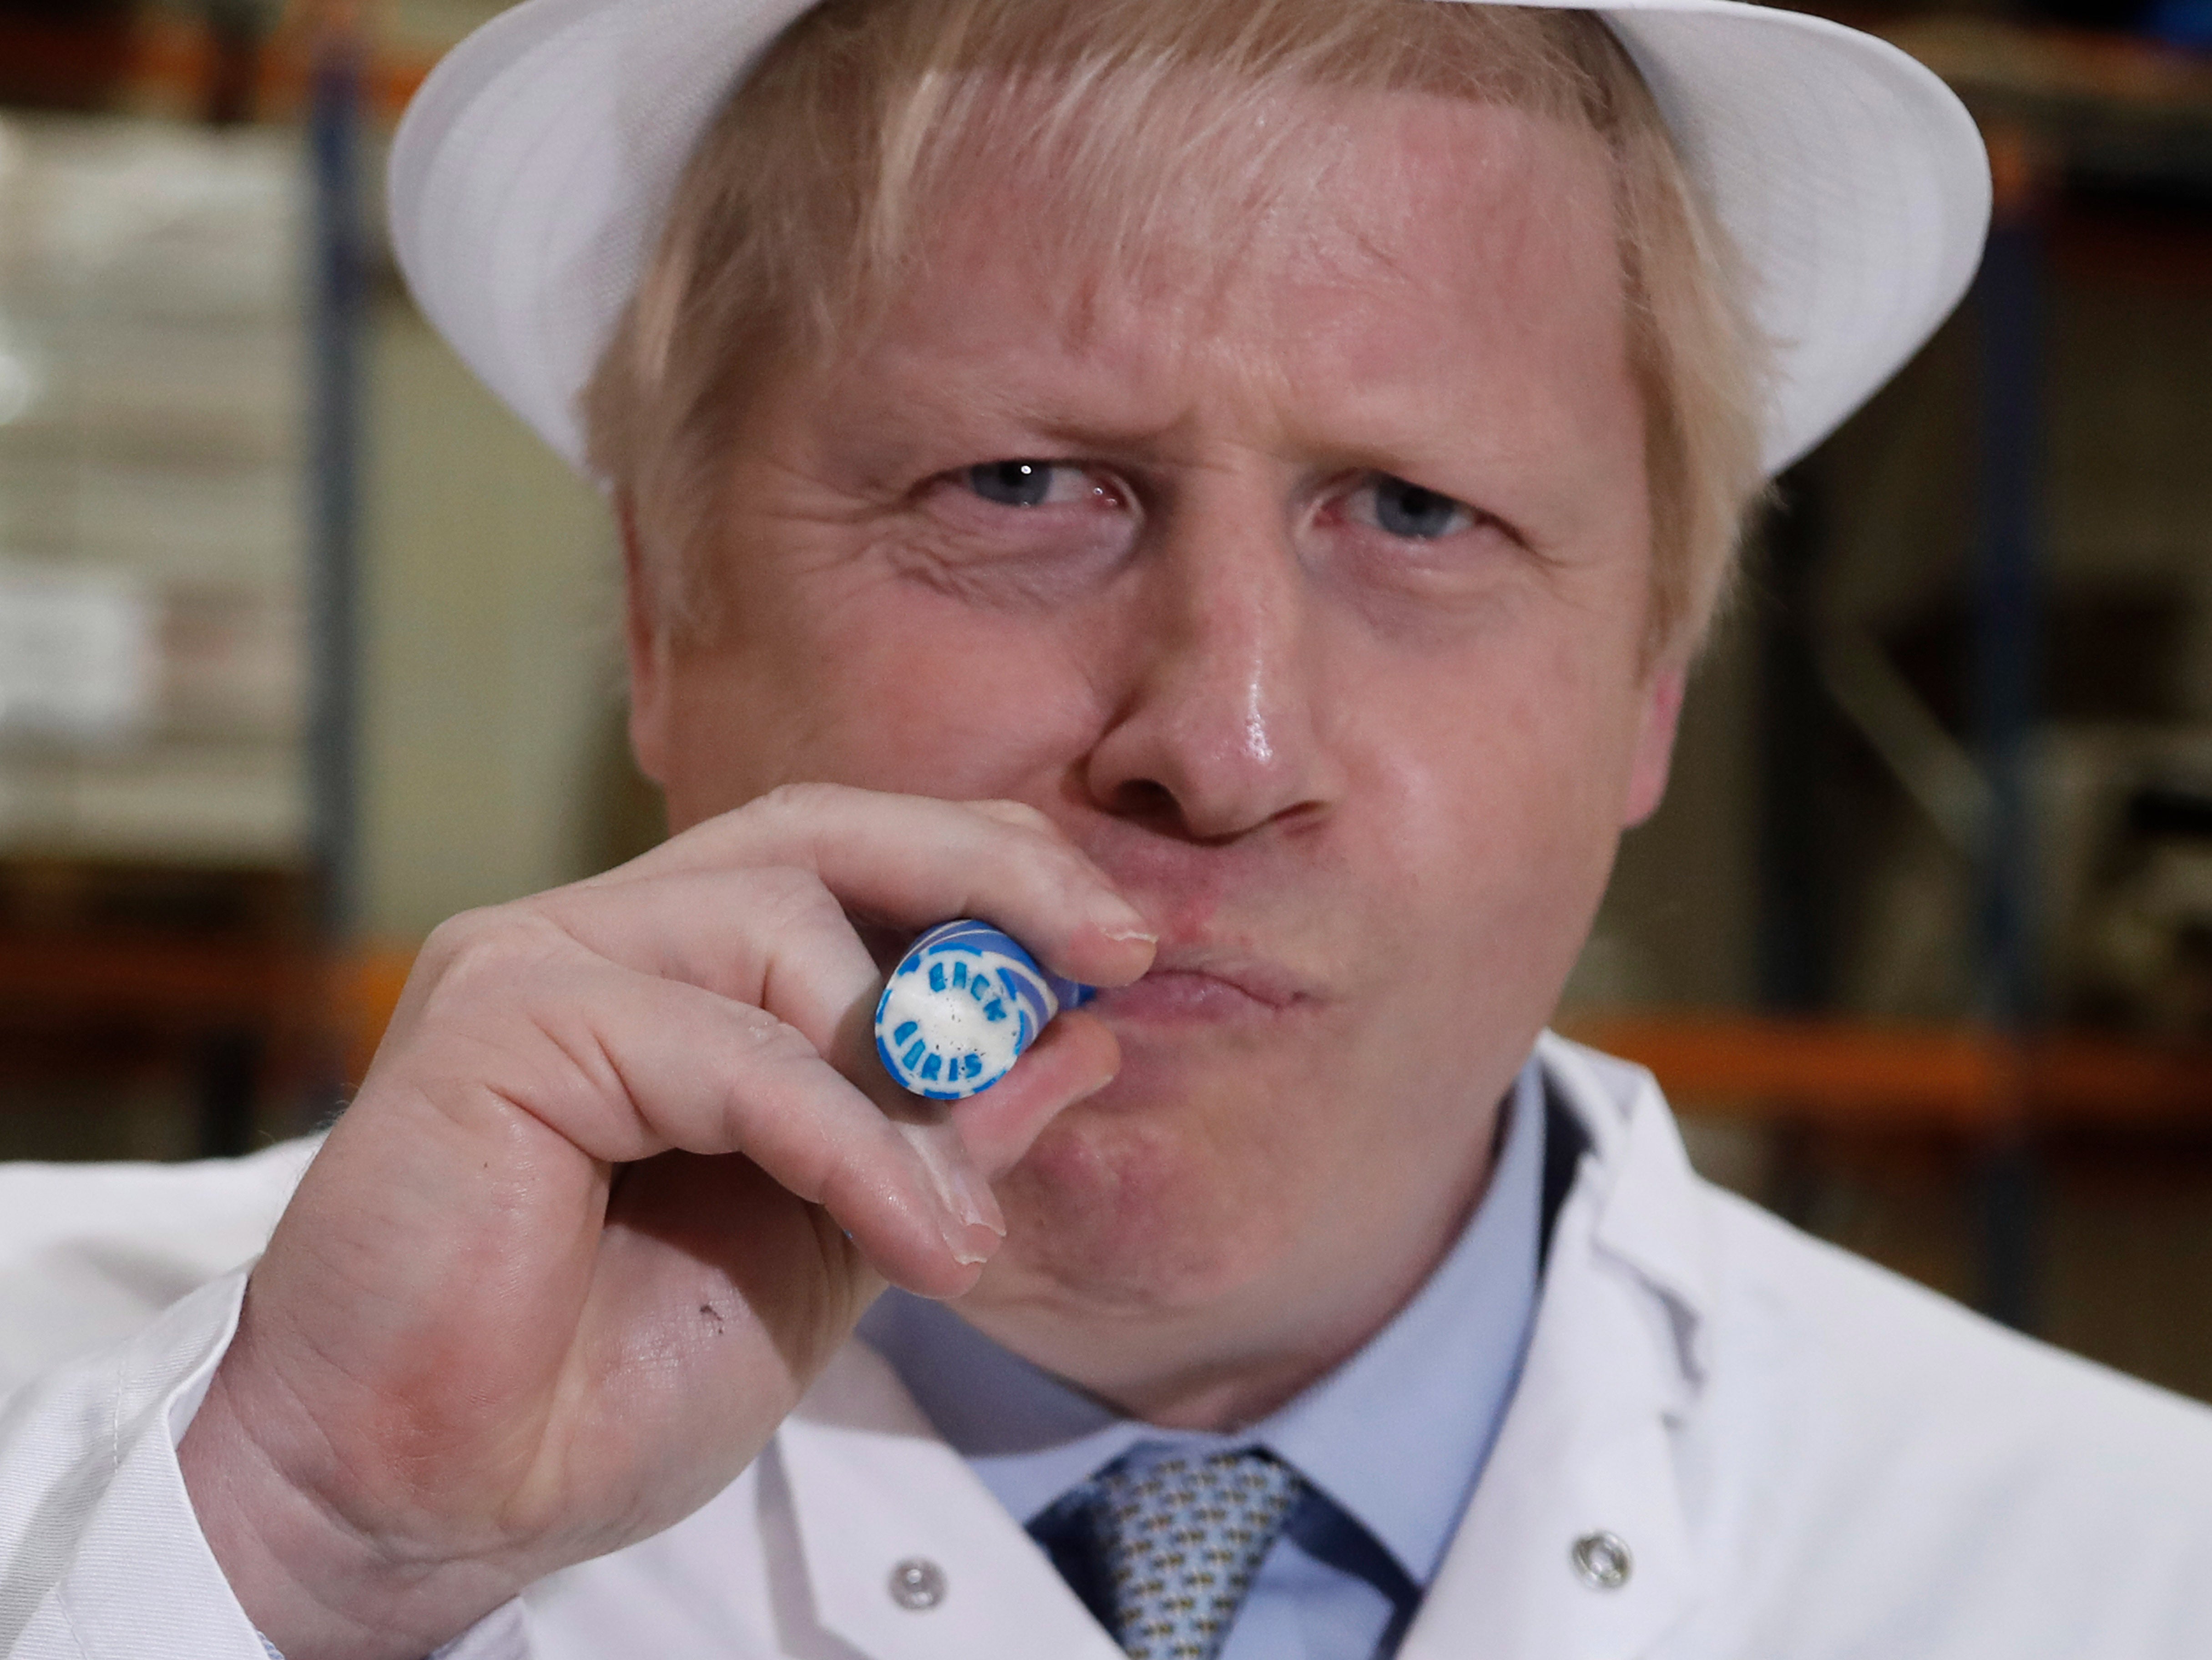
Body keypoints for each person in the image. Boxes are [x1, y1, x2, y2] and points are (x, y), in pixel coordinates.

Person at [4, 0, 2209, 1655]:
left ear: (1647, 684)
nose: (1222, 742)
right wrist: (292, 1544)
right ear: (664, 616)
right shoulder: (91, 1411)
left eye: (1418, 511)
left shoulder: (2122, 1568)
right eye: (1022, 487)